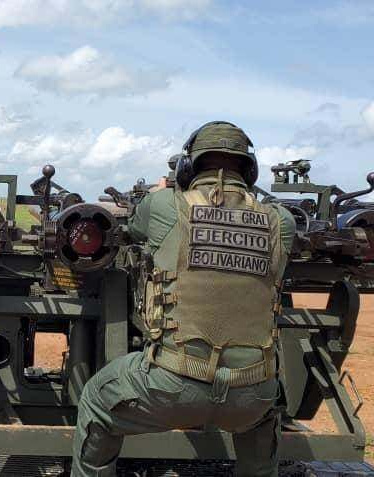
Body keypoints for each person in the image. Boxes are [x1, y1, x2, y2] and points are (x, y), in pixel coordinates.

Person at [71, 121, 296, 477]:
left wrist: (171, 190)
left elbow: (137, 227)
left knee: (96, 398)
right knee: (264, 416)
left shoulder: (165, 204)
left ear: (188, 167)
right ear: (249, 170)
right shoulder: (280, 221)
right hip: (251, 396)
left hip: (173, 386)